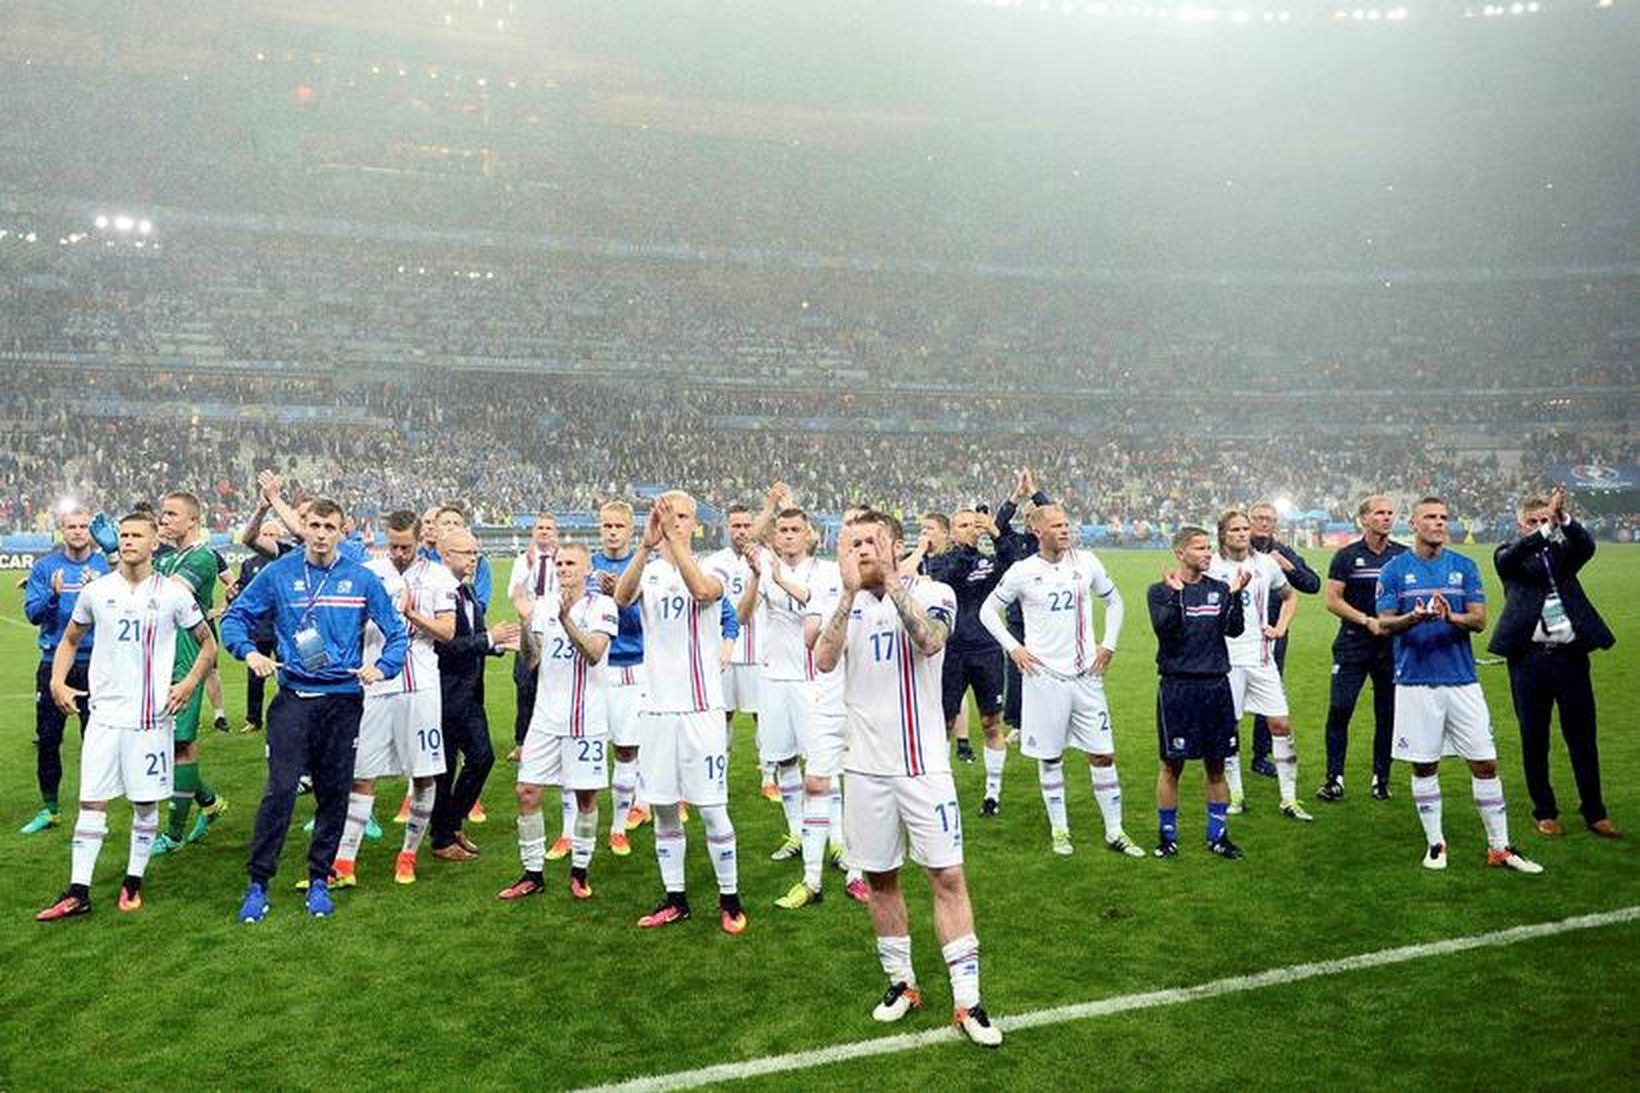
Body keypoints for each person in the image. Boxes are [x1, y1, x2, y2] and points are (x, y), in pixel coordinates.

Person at [813, 511, 1000, 1047]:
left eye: (871, 541)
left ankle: (968, 1002)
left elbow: (931, 641)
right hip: (865, 769)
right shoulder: (845, 604)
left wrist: (893, 583)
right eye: (852, 543)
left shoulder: (934, 589)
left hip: (923, 768)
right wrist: (848, 595)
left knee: (947, 877)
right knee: (880, 880)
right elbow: (824, 660)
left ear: (895, 545)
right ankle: (903, 984)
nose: (862, 550)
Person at [219, 498, 408, 922]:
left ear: (343, 531)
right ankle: (258, 883)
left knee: (334, 791)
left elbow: (397, 633)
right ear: (302, 527)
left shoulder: (360, 579)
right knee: (281, 790)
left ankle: (320, 878)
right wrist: (249, 653)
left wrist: (383, 666)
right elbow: (234, 619)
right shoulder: (278, 574)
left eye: (330, 526)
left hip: (343, 701)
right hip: (294, 701)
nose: (322, 533)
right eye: (315, 525)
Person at [36, 511, 215, 920]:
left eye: (137, 535)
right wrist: (58, 683)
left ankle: (133, 881)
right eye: (124, 535)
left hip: (150, 718)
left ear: (155, 543)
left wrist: (187, 685)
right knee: (91, 802)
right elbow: (69, 640)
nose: (129, 541)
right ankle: (78, 891)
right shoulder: (97, 591)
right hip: (104, 716)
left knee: (144, 803)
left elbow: (207, 646)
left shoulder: (173, 594)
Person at [1375, 497, 1541, 873]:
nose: (1439, 523)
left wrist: (1452, 616)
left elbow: (1480, 621)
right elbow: (1384, 623)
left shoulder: (1464, 567)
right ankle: (1436, 845)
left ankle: (1499, 848)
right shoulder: (1395, 570)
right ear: (1414, 524)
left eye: (1443, 518)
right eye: (1430, 517)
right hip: (1415, 681)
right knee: (1424, 766)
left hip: (1463, 680)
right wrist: (1413, 618)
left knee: (1485, 763)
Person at [613, 491, 747, 934]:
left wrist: (675, 544)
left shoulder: (712, 569)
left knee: (711, 809)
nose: (674, 522)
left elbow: (704, 593)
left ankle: (730, 899)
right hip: (656, 711)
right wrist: (647, 545)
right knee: (665, 809)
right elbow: (621, 596)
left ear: (696, 524)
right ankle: (676, 898)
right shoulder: (648, 572)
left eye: (683, 517)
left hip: (701, 709)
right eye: (666, 515)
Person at [981, 504, 1144, 858]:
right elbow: (987, 611)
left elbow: (1114, 602)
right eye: (1056, 526)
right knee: (1050, 757)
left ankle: (1115, 831)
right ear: (1037, 531)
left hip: (1087, 676)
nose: (1065, 530)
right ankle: (1060, 830)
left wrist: (1109, 643)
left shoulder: (1087, 563)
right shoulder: (1022, 571)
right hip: (1044, 678)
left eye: (1067, 524)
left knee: (1103, 754)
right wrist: (1013, 648)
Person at [325, 510, 458, 887]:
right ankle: (346, 863)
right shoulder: (369, 573)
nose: (399, 553)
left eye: (406, 546)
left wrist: (411, 614)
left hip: (421, 688)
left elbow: (447, 632)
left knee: (424, 773)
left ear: (420, 541)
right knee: (362, 773)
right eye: (393, 545)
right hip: (376, 685)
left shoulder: (438, 577)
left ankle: (408, 855)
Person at [1489, 487, 1618, 838]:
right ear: (1520, 526)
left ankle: (1595, 811)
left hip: (1571, 659)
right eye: (1532, 521)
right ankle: (1544, 810)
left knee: (1583, 737)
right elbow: (1513, 557)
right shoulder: (1508, 556)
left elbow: (1587, 547)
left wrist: (1563, 519)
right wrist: (1545, 530)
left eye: (1544, 520)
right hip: (1528, 661)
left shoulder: (1563, 554)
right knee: (1535, 737)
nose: (1539, 526)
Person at [504, 544, 619, 900]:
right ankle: (532, 873)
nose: (564, 568)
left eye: (571, 563)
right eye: (559, 563)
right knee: (526, 791)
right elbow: (531, 660)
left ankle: (579, 872)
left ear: (587, 569)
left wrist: (567, 620)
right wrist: (525, 623)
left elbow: (594, 653)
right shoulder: (543, 606)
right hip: (546, 717)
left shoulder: (603, 606)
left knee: (586, 797)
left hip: (587, 717)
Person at [911, 503, 1027, 812]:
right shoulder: (940, 564)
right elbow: (953, 577)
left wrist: (993, 531)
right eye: (962, 526)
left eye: (972, 525)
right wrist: (965, 546)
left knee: (992, 722)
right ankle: (940, 787)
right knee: (944, 723)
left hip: (987, 651)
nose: (969, 530)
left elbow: (1013, 561)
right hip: (951, 652)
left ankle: (993, 793)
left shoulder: (989, 563)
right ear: (951, 533)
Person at [1146, 526, 1250, 860]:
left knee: (1217, 764)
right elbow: (1167, 632)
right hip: (1178, 688)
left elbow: (1234, 630)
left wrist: (1235, 597)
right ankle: (1167, 836)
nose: (1208, 553)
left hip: (1216, 685)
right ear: (1181, 553)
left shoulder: (1219, 589)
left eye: (1208, 548)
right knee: (1172, 765)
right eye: (1200, 548)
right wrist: (1176, 595)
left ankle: (1217, 836)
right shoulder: (1159, 591)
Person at [1208, 510, 1312, 822]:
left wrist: (1279, 628)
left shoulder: (1265, 564)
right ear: (1223, 534)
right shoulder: (1211, 565)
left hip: (1262, 658)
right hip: (1226, 661)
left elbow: (1290, 597)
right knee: (1229, 730)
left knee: (1280, 724)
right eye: (1235, 529)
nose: (1242, 533)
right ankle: (1236, 796)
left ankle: (1289, 799)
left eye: (1244, 528)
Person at [739, 506, 824, 866]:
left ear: (808, 535)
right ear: (775, 536)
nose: (788, 535)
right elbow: (741, 616)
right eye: (783, 530)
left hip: (811, 679)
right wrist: (759, 578)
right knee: (784, 758)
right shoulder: (765, 572)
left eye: (795, 530)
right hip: (773, 678)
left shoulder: (824, 571)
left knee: (820, 763)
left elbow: (814, 603)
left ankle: (833, 839)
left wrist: (779, 578)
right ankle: (796, 831)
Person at [431, 529, 519, 863]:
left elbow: (474, 639)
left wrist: (498, 644)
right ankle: (442, 837)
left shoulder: (466, 591)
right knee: (445, 768)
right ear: (445, 554)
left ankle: (450, 824)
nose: (473, 559)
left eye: (475, 553)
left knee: (482, 758)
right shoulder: (438, 592)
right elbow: (443, 646)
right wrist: (487, 640)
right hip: (444, 693)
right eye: (466, 553)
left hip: (469, 693)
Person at [149, 491, 229, 855]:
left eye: (170, 514)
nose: (163, 520)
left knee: (180, 745)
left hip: (187, 661)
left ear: (192, 520)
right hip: (162, 659)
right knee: (167, 744)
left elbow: (166, 596)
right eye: (162, 514)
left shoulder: (202, 557)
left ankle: (174, 834)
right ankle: (210, 803)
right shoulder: (169, 559)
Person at [21, 505, 109, 834]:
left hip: (95, 664)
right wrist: (55, 597)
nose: (77, 531)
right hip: (53, 664)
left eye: (84, 526)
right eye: (71, 526)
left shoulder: (104, 566)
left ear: (90, 530)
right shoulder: (45, 568)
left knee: (95, 740)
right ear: (62, 530)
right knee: (48, 739)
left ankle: (93, 810)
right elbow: (32, 613)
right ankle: (51, 809)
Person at [1317, 495, 1406, 802]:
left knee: (1388, 714)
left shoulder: (1403, 557)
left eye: (1390, 512)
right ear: (1363, 519)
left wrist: (1397, 622)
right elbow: (1332, 600)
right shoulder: (1346, 555)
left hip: (1390, 648)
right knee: (1340, 709)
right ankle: (1334, 778)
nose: (1386, 517)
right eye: (1379, 512)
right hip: (1353, 645)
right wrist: (1366, 620)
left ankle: (1381, 779)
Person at [1247, 501, 1322, 779]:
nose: (1264, 523)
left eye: (1269, 519)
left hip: (1274, 634)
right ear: (1249, 520)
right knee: (1226, 693)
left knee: (1268, 694)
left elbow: (1312, 585)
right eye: (1259, 518)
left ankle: (1260, 755)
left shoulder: (1282, 552)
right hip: (1236, 634)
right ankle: (1222, 750)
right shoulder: (1237, 551)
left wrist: (1288, 566)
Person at [591, 500, 647, 852]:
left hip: (633, 666)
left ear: (630, 530)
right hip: (595, 668)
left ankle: (617, 827)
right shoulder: (588, 567)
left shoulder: (642, 567)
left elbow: (648, 622)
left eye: (618, 527)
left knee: (627, 750)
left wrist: (623, 595)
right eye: (606, 526)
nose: (612, 532)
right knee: (590, 748)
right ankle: (574, 831)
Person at [711, 504, 767, 796]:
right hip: (724, 652)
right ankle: (718, 775)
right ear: (727, 528)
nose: (742, 531)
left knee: (762, 715)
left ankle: (768, 778)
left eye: (747, 525)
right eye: (737, 526)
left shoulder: (766, 560)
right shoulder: (714, 562)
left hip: (757, 651)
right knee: (723, 715)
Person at [227, 518, 289, 734]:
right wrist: (231, 595)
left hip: (283, 630)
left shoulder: (287, 563)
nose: (270, 539)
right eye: (267, 535)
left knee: (288, 675)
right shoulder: (249, 564)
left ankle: (288, 715)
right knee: (255, 677)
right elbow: (241, 595)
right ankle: (253, 719)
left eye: (274, 536)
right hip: (259, 629)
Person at [506, 513, 559, 764]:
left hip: (557, 633)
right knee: (525, 688)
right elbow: (514, 593)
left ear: (555, 532)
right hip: (529, 633)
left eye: (549, 528)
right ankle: (523, 743)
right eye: (540, 528)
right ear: (533, 532)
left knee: (554, 688)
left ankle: (554, 740)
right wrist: (528, 567)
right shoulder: (522, 562)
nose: (545, 532)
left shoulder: (564, 561)